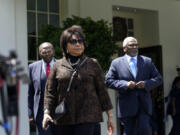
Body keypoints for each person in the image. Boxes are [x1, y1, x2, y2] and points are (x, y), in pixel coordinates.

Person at [42, 25, 114, 135]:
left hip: (88, 117)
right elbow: (50, 92)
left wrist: (110, 116)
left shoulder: (92, 63)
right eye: (73, 41)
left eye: (80, 41)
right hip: (64, 118)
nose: (78, 44)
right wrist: (46, 112)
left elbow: (102, 91)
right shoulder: (57, 65)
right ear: (65, 45)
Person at [105, 36, 162, 135]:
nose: (135, 47)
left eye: (136, 45)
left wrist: (146, 84)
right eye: (131, 45)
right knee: (129, 132)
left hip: (144, 104)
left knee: (144, 129)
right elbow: (108, 81)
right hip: (126, 106)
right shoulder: (116, 63)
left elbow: (158, 79)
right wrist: (125, 84)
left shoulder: (147, 61)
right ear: (124, 48)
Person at [28, 42, 55, 135]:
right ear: (40, 53)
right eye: (44, 52)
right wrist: (30, 113)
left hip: (59, 111)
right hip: (40, 111)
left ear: (53, 51)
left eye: (49, 51)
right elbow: (30, 92)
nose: (47, 53)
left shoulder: (61, 65)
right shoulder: (32, 67)